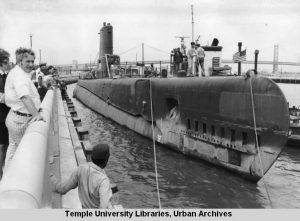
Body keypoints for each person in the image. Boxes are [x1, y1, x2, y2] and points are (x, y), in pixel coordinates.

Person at [4, 47, 44, 169]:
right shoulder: (19, 76)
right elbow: (25, 97)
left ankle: (6, 177)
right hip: (20, 120)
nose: (31, 64)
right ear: (20, 61)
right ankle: (11, 182)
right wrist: (37, 115)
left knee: (13, 149)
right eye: (28, 62)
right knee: (21, 152)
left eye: (33, 61)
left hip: (15, 117)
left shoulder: (19, 72)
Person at [50, 143, 113, 209]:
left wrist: (50, 175)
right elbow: (104, 207)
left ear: (92, 156)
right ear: (106, 160)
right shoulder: (104, 181)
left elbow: (62, 189)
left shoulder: (81, 169)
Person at [0, 49, 10, 179]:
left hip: (5, 115)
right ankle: (1, 175)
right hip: (1, 116)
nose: (9, 64)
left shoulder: (5, 76)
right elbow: (2, 97)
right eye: (7, 62)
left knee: (5, 144)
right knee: (2, 145)